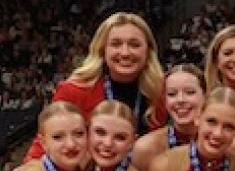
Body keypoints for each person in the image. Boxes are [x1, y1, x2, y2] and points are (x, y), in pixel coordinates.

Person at [27, 13, 166, 158]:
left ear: (148, 51)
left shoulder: (162, 92)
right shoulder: (74, 91)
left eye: (134, 45)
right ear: (102, 50)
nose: (125, 53)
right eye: (116, 44)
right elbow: (44, 145)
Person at [131, 64, 205, 171]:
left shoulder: (219, 140)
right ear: (164, 100)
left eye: (190, 92)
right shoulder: (146, 148)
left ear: (205, 95)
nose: (180, 100)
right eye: (172, 94)